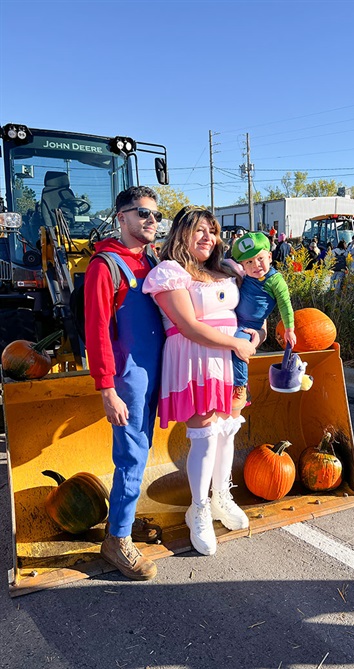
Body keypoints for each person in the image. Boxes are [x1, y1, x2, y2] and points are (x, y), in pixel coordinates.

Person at [143, 206, 256, 556]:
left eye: (213, 231)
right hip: (194, 359)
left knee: (226, 431)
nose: (208, 237)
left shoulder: (219, 270)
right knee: (205, 437)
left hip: (229, 361)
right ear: (181, 233)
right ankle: (199, 509)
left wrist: (254, 334)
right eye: (200, 230)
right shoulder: (170, 272)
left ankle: (221, 496)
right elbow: (189, 325)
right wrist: (236, 343)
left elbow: (242, 312)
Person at [84, 186, 166, 581]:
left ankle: (125, 519)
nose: (152, 221)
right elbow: (97, 331)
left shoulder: (153, 260)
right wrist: (107, 388)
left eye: (155, 215)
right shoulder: (106, 266)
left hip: (159, 370)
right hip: (129, 378)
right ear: (122, 218)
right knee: (132, 455)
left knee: (143, 450)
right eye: (143, 214)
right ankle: (116, 540)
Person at [229, 232, 296, 410]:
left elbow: (285, 305)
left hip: (249, 327)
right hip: (234, 320)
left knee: (238, 348)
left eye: (260, 259)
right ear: (243, 265)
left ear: (269, 256)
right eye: (249, 262)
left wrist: (289, 329)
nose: (256, 265)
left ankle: (241, 387)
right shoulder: (244, 277)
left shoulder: (275, 280)